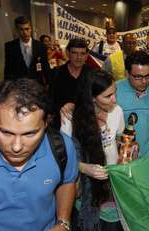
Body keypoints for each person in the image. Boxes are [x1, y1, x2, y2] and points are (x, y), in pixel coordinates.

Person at [0, 79, 78, 230]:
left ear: (46, 124)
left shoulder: (62, 148)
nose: (16, 147)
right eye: (6, 132)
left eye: (30, 133)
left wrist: (63, 222)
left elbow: (67, 182)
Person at [60, 70, 125, 230]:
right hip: (85, 187)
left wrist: (126, 153)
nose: (114, 100)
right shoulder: (71, 118)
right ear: (92, 98)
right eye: (107, 96)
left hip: (113, 182)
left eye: (114, 93)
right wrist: (84, 168)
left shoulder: (117, 112)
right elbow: (61, 157)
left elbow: (119, 140)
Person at [117, 50, 149, 156]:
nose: (144, 81)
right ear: (127, 74)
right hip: (123, 155)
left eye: (148, 76)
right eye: (138, 77)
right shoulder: (114, 91)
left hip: (147, 152)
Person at [49, 38, 91, 129]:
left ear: (87, 55)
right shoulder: (56, 73)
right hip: (60, 125)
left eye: (82, 54)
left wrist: (77, 106)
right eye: (74, 53)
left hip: (85, 126)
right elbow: (50, 101)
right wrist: (61, 108)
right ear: (68, 53)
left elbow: (96, 100)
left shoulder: (92, 74)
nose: (78, 57)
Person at [4, 16, 50, 84]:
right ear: (17, 30)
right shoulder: (10, 47)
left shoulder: (41, 46)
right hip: (18, 86)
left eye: (27, 29)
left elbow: (46, 67)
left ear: (31, 28)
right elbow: (8, 70)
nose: (25, 33)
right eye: (21, 30)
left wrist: (49, 85)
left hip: (37, 86)